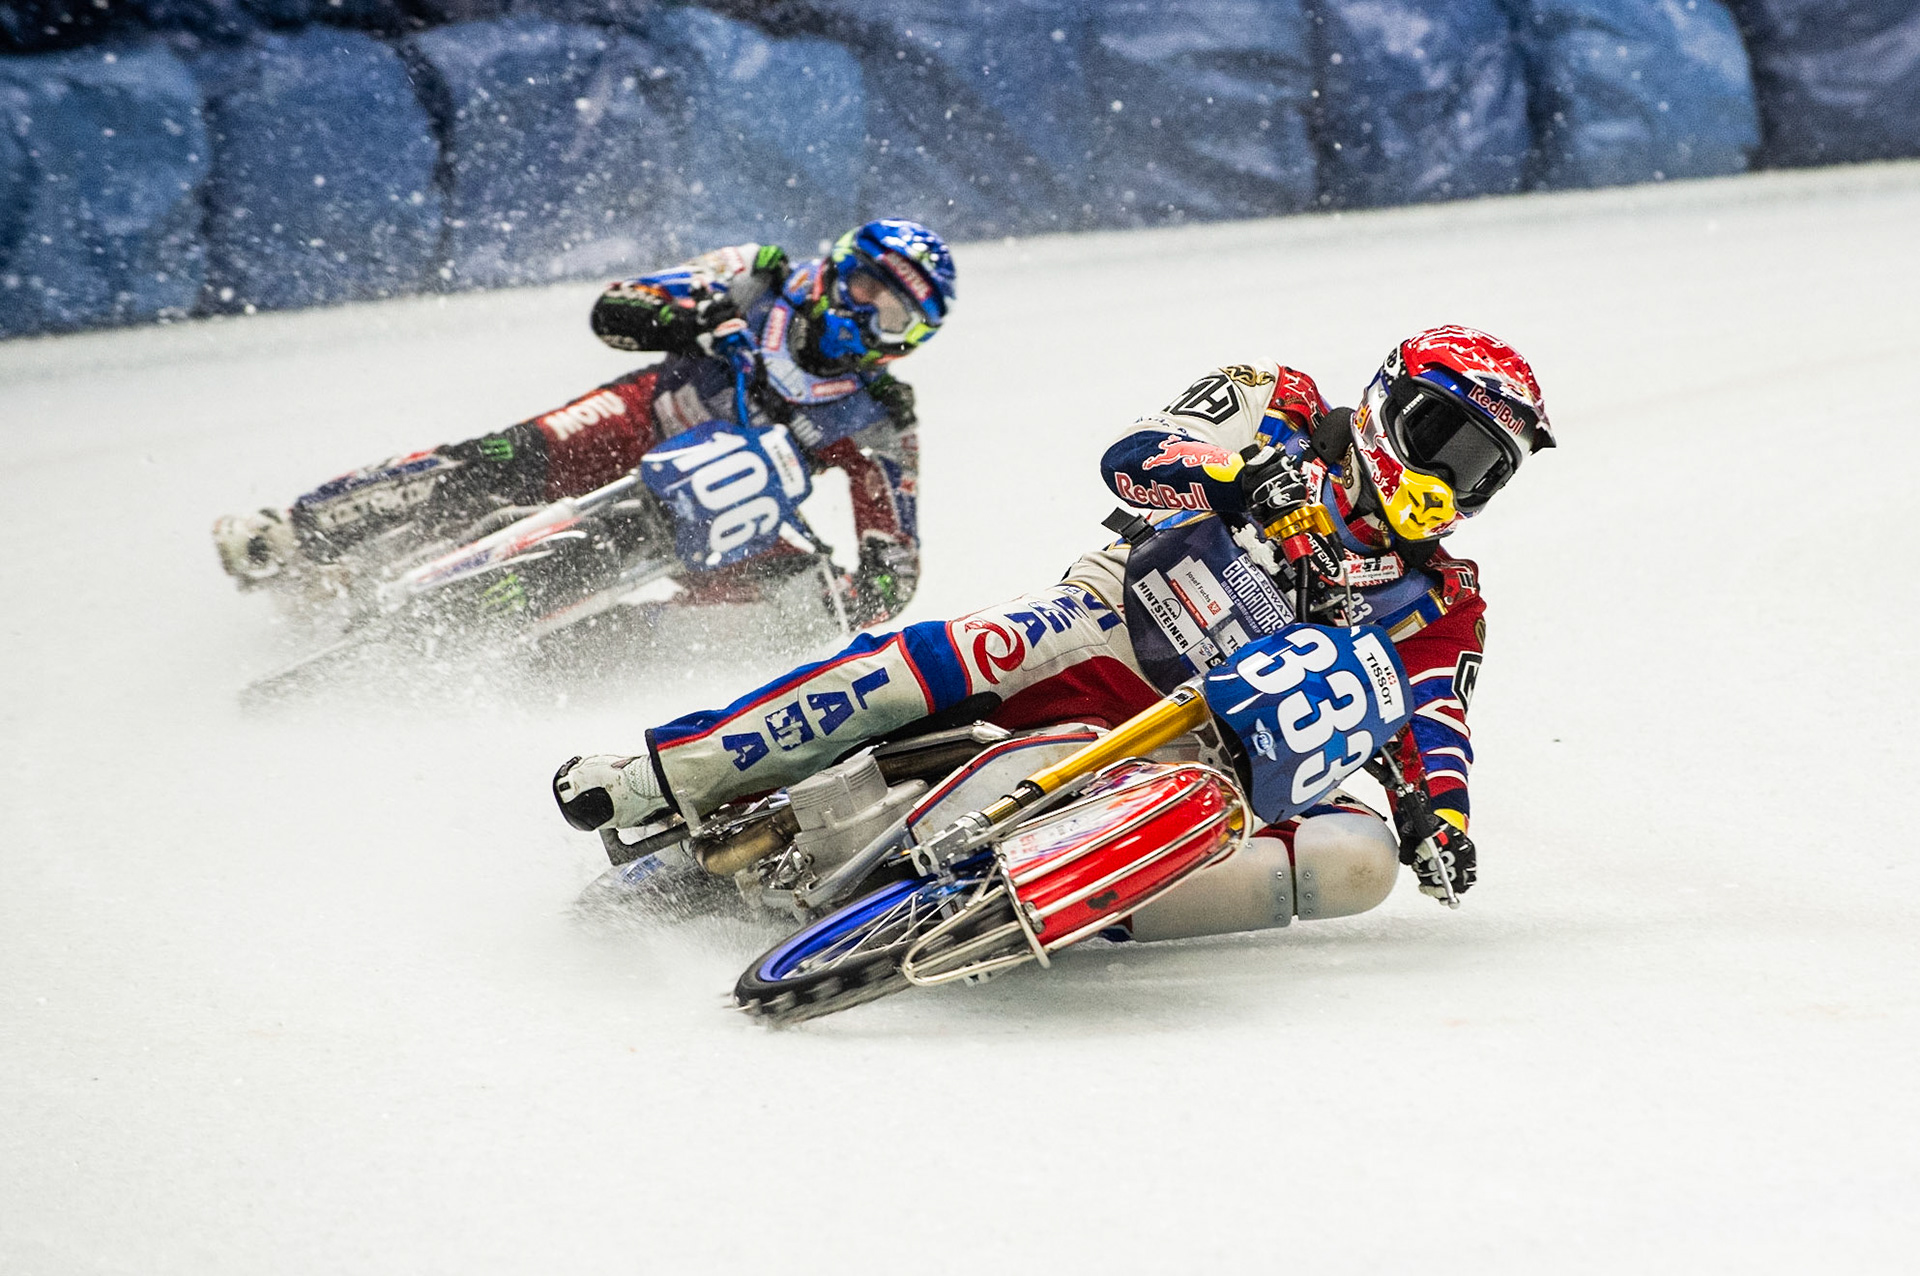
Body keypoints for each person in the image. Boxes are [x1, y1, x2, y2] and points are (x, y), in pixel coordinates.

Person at [554, 325, 1553, 935]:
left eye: (1480, 470)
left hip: (1221, 741)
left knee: (1356, 860)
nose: (1448, 479)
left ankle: (1054, 914)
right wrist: (1234, 477)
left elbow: (1432, 717)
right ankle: (664, 771)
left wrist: (1444, 819)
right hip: (1112, 619)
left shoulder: (1444, 598)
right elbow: (1135, 456)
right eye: (1440, 439)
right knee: (950, 654)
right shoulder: (1278, 401)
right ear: (1386, 404)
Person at [212, 219, 956, 629]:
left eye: (894, 314)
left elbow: (896, 567)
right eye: (868, 287)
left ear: (912, 338)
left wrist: (845, 600)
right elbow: (618, 308)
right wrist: (698, 316)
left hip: (729, 518)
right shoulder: (758, 272)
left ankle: (584, 661)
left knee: (791, 616)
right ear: (839, 268)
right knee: (497, 459)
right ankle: (296, 533)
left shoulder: (882, 416)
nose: (869, 314)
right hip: (638, 419)